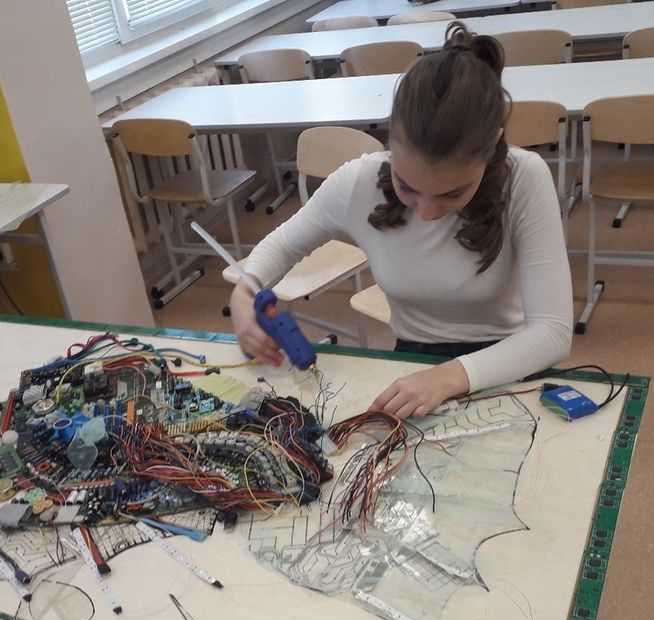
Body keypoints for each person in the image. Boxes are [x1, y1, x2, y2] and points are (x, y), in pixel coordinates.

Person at [229, 21, 572, 420]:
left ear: (493, 145)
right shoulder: (358, 182)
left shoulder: (524, 178)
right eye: (407, 187)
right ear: (391, 139)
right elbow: (282, 245)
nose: (426, 211)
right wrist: (244, 292)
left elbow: (552, 333)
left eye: (452, 194)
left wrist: (449, 377)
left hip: (507, 360)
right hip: (414, 360)